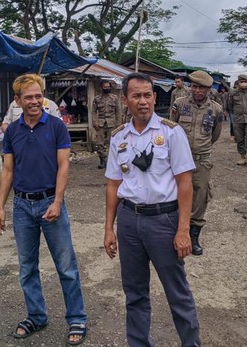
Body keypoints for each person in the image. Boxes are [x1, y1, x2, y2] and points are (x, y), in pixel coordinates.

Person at [104, 72, 201, 347]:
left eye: (148, 95)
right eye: (136, 96)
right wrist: (108, 229)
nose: (143, 101)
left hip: (163, 221)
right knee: (134, 294)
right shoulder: (118, 138)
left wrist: (183, 230)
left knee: (177, 293)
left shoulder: (171, 132)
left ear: (155, 98)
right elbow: (113, 184)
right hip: (129, 221)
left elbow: (185, 184)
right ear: (126, 100)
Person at [0, 73, 87, 345]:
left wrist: (58, 201)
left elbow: (64, 166)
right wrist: (0, 207)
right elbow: (8, 170)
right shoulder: (12, 131)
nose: (35, 101)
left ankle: (77, 318)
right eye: (29, 97)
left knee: (66, 265)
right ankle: (36, 316)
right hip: (22, 206)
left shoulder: (56, 126)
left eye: (38, 96)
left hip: (50, 202)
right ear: (17, 100)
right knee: (27, 267)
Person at [169, 70, 223, 256]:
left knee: (200, 195)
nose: (197, 90)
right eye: (194, 86)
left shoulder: (216, 109)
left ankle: (194, 236)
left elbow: (215, 134)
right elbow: (171, 128)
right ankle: (176, 231)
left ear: (209, 89)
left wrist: (202, 147)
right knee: (176, 192)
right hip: (179, 158)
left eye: (202, 87)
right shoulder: (179, 104)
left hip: (202, 158)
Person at [225, 74, 247, 168]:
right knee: (239, 138)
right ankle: (243, 157)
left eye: (245, 81)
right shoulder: (233, 93)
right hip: (238, 119)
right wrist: (236, 113)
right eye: (241, 81)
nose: (243, 83)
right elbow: (230, 106)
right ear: (238, 82)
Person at [92, 80, 121, 169]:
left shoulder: (114, 98)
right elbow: (93, 111)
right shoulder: (97, 99)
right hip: (100, 123)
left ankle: (112, 161)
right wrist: (94, 122)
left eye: (108, 87)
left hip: (112, 124)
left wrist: (118, 123)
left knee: (112, 143)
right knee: (99, 143)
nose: (107, 88)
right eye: (105, 87)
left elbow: (118, 111)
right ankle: (102, 160)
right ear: (101, 87)